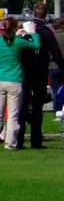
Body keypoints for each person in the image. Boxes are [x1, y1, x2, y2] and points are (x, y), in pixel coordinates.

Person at [17, 2, 64, 149]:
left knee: (22, 106)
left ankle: (19, 139)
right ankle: (36, 140)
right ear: (46, 14)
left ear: (33, 13)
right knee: (37, 107)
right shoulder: (46, 32)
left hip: (24, 70)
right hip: (40, 72)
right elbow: (57, 55)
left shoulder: (22, 29)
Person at [0, 18, 39, 151]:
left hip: (1, 79)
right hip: (15, 80)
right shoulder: (18, 42)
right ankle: (10, 143)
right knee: (13, 115)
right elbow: (36, 45)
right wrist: (33, 32)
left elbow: (6, 40)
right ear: (14, 28)